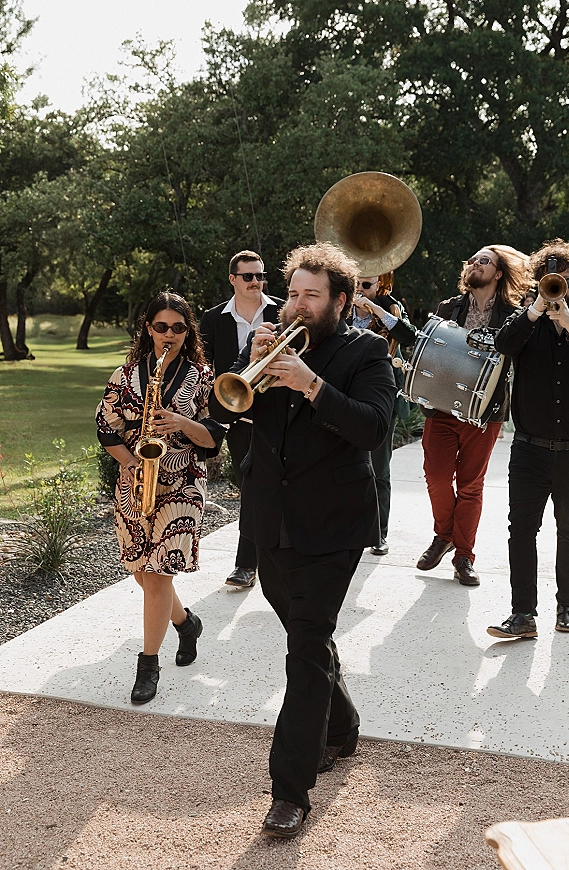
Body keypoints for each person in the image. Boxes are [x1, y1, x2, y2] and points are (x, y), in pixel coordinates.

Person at [209, 242, 396, 837]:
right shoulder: (266, 338)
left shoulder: (366, 352)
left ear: (341, 300)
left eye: (310, 295)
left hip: (333, 524)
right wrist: (253, 365)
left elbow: (373, 429)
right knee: (307, 639)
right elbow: (234, 416)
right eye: (292, 292)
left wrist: (312, 385)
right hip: (271, 518)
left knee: (306, 644)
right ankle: (341, 728)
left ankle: (289, 790)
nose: (295, 303)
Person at [96, 291, 224, 704]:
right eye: (161, 326)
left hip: (183, 484)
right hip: (136, 481)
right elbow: (105, 427)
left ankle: (148, 664)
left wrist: (182, 421)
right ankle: (186, 624)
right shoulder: (125, 374)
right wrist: (132, 462)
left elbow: (214, 439)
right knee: (141, 571)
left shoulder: (204, 377)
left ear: (189, 332)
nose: (170, 335)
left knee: (157, 576)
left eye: (179, 328)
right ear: (147, 328)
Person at [417, 245, 529, 586]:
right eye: (472, 260)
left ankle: (463, 555)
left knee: (470, 485)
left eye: (483, 261)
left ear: (497, 273)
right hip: (442, 405)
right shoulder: (449, 307)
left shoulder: (513, 312)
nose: (474, 264)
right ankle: (444, 534)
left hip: (485, 411)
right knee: (436, 476)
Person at [488, 240, 569, 639]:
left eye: (566, 277)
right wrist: (536, 309)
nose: (559, 283)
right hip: (529, 448)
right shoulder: (525, 317)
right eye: (550, 277)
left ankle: (566, 606)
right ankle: (523, 615)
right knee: (521, 530)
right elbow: (502, 345)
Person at [200, 251, 284, 589]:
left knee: (278, 487)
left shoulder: (282, 310)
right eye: (248, 276)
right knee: (249, 488)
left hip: (280, 411)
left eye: (260, 276)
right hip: (238, 417)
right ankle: (249, 563)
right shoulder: (213, 318)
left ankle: (251, 563)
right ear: (232, 279)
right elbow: (204, 366)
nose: (255, 282)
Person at [351, 273, 416, 555]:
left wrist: (375, 308)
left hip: (381, 395)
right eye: (355, 284)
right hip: (344, 392)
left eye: (366, 285)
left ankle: (378, 532)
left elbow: (409, 336)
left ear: (379, 285)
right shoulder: (339, 306)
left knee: (379, 467)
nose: (359, 290)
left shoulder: (391, 308)